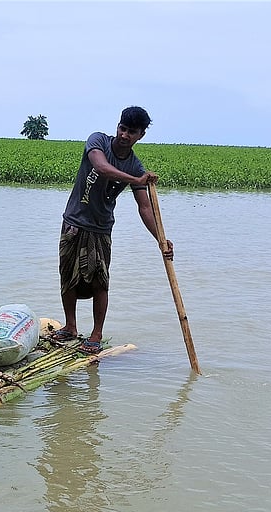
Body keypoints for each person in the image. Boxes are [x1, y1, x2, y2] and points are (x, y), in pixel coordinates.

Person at [53, 106, 173, 355]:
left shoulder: (135, 166)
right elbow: (101, 167)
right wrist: (135, 180)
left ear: (140, 135)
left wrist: (161, 239)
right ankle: (70, 326)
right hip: (74, 221)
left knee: (100, 282)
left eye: (132, 132)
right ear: (117, 127)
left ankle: (96, 335)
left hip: (101, 228)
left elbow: (145, 208)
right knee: (68, 276)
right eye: (123, 128)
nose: (124, 135)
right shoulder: (98, 141)